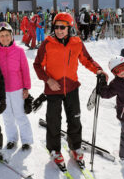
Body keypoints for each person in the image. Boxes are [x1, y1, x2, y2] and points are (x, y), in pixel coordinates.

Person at [33, 12, 108, 166]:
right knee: (53, 121)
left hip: (72, 87)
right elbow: (38, 65)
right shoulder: (47, 43)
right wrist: (48, 80)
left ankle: (75, 147)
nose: (59, 30)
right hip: (54, 88)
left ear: (70, 28)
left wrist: (99, 70)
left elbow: (87, 60)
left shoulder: (77, 43)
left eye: (63, 27)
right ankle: (54, 149)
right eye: (56, 27)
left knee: (75, 119)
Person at [0, 22, 33, 150]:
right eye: (2, 35)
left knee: (20, 115)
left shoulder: (19, 51)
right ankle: (11, 139)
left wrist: (26, 88)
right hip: (2, 91)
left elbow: (25, 70)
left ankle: (26, 140)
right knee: (7, 116)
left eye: (7, 35)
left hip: (17, 89)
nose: (5, 38)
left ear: (11, 35)